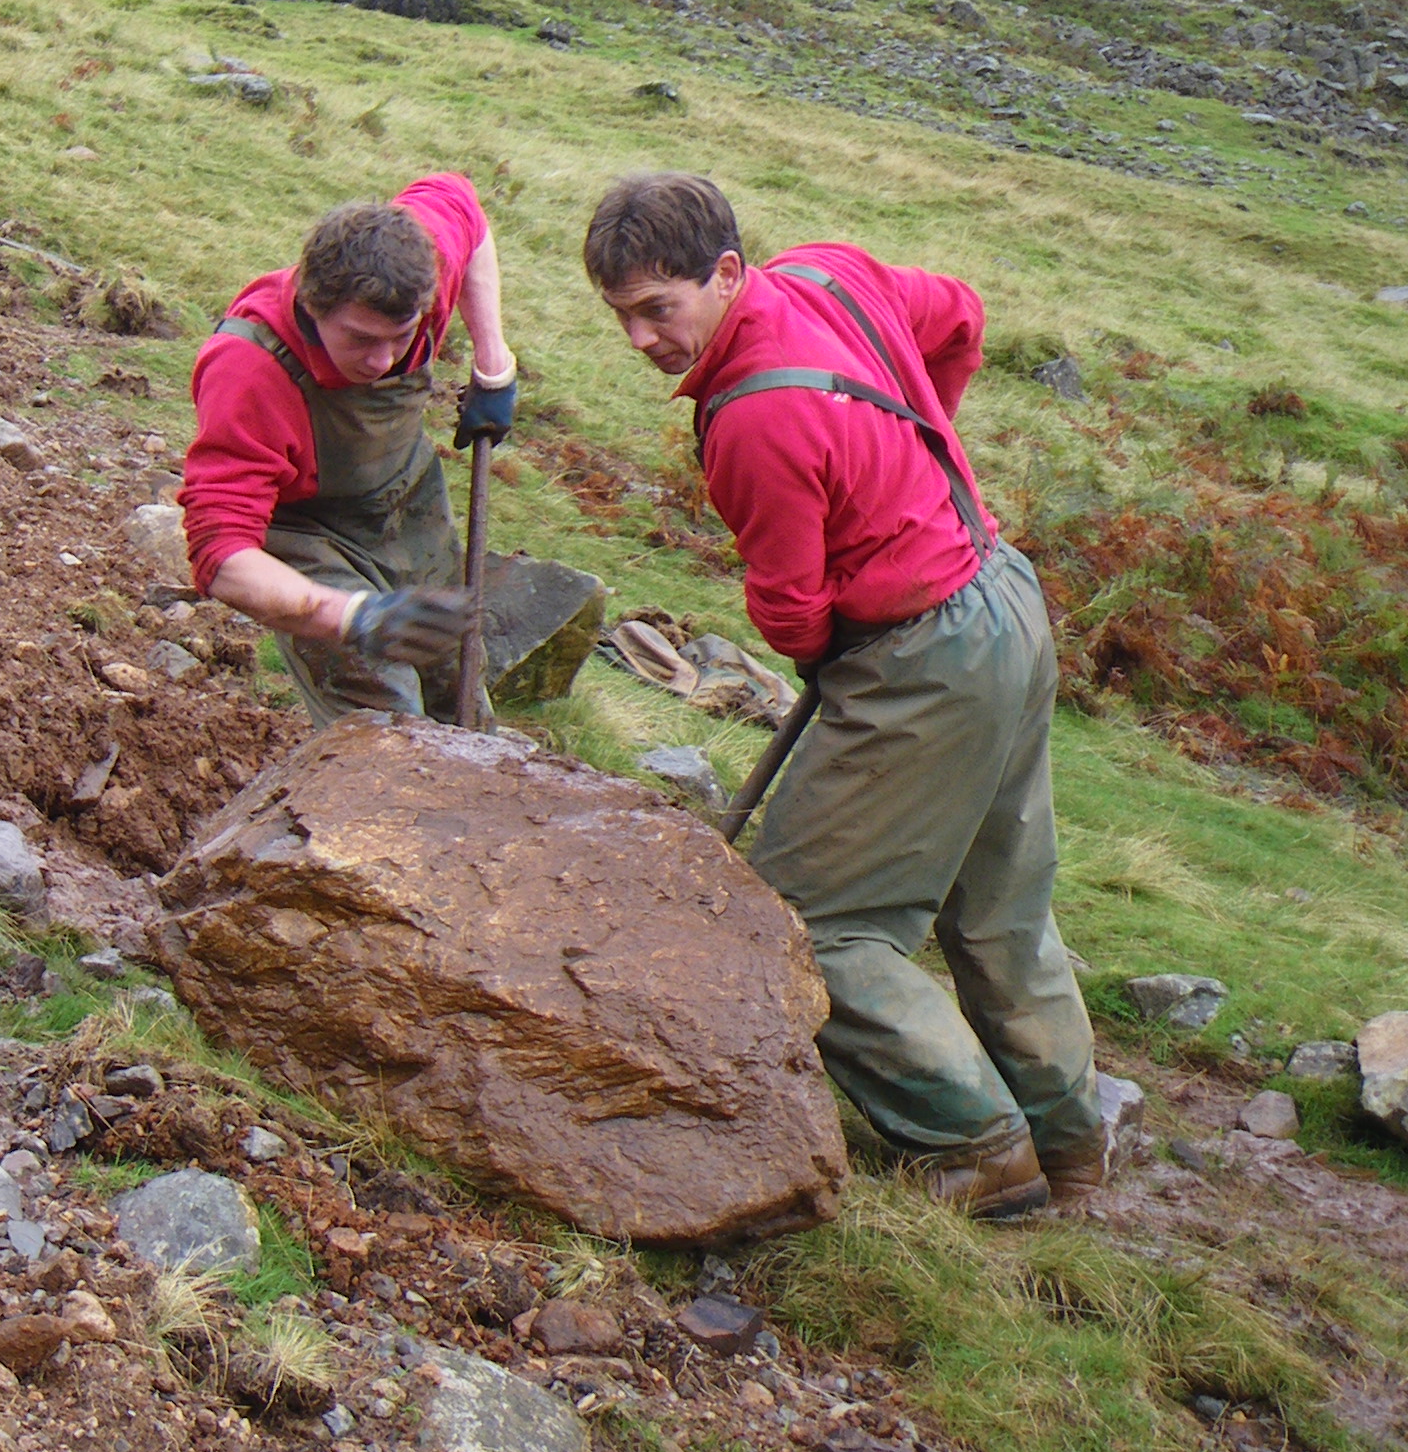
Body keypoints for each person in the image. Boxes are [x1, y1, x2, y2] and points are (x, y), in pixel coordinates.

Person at [581, 171, 1102, 1219]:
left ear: (726, 273)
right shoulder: (835, 271)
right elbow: (959, 317)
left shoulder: (753, 419)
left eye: (657, 309)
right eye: (621, 316)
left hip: (922, 658)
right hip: (1005, 596)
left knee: (802, 924)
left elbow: (790, 611)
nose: (641, 339)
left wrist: (857, 600)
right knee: (1002, 909)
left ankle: (980, 1144)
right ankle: (1074, 1145)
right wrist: (921, 446)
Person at [180, 175, 517, 720]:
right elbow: (220, 555)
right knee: (385, 715)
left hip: (405, 502)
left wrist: (493, 365)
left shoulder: (419, 263)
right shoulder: (247, 370)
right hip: (305, 534)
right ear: (313, 306)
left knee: (458, 693)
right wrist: (349, 616)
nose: (382, 361)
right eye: (359, 339)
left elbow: (465, 211)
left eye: (400, 336)